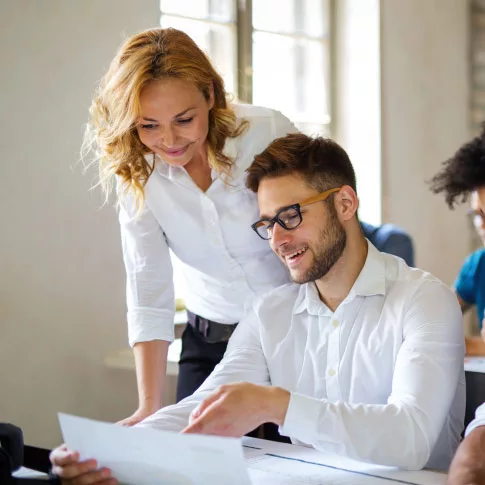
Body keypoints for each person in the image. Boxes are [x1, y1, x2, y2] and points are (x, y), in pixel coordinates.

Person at [51, 133, 465, 482]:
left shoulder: (424, 300)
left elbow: (411, 438)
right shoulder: (270, 312)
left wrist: (276, 404)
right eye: (268, 224)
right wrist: (107, 452)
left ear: (344, 204)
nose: (278, 240)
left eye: (290, 216)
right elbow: (206, 405)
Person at [86, 27, 297, 426]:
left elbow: (321, 233)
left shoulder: (266, 133)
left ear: (210, 96)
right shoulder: (138, 171)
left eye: (184, 119)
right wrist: (149, 405)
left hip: (297, 333)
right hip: (210, 342)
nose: (168, 141)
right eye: (148, 125)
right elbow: (149, 287)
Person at [429, 126, 485, 355]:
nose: (482, 226)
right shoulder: (478, 266)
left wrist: (470, 345)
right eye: (478, 215)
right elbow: (436, 316)